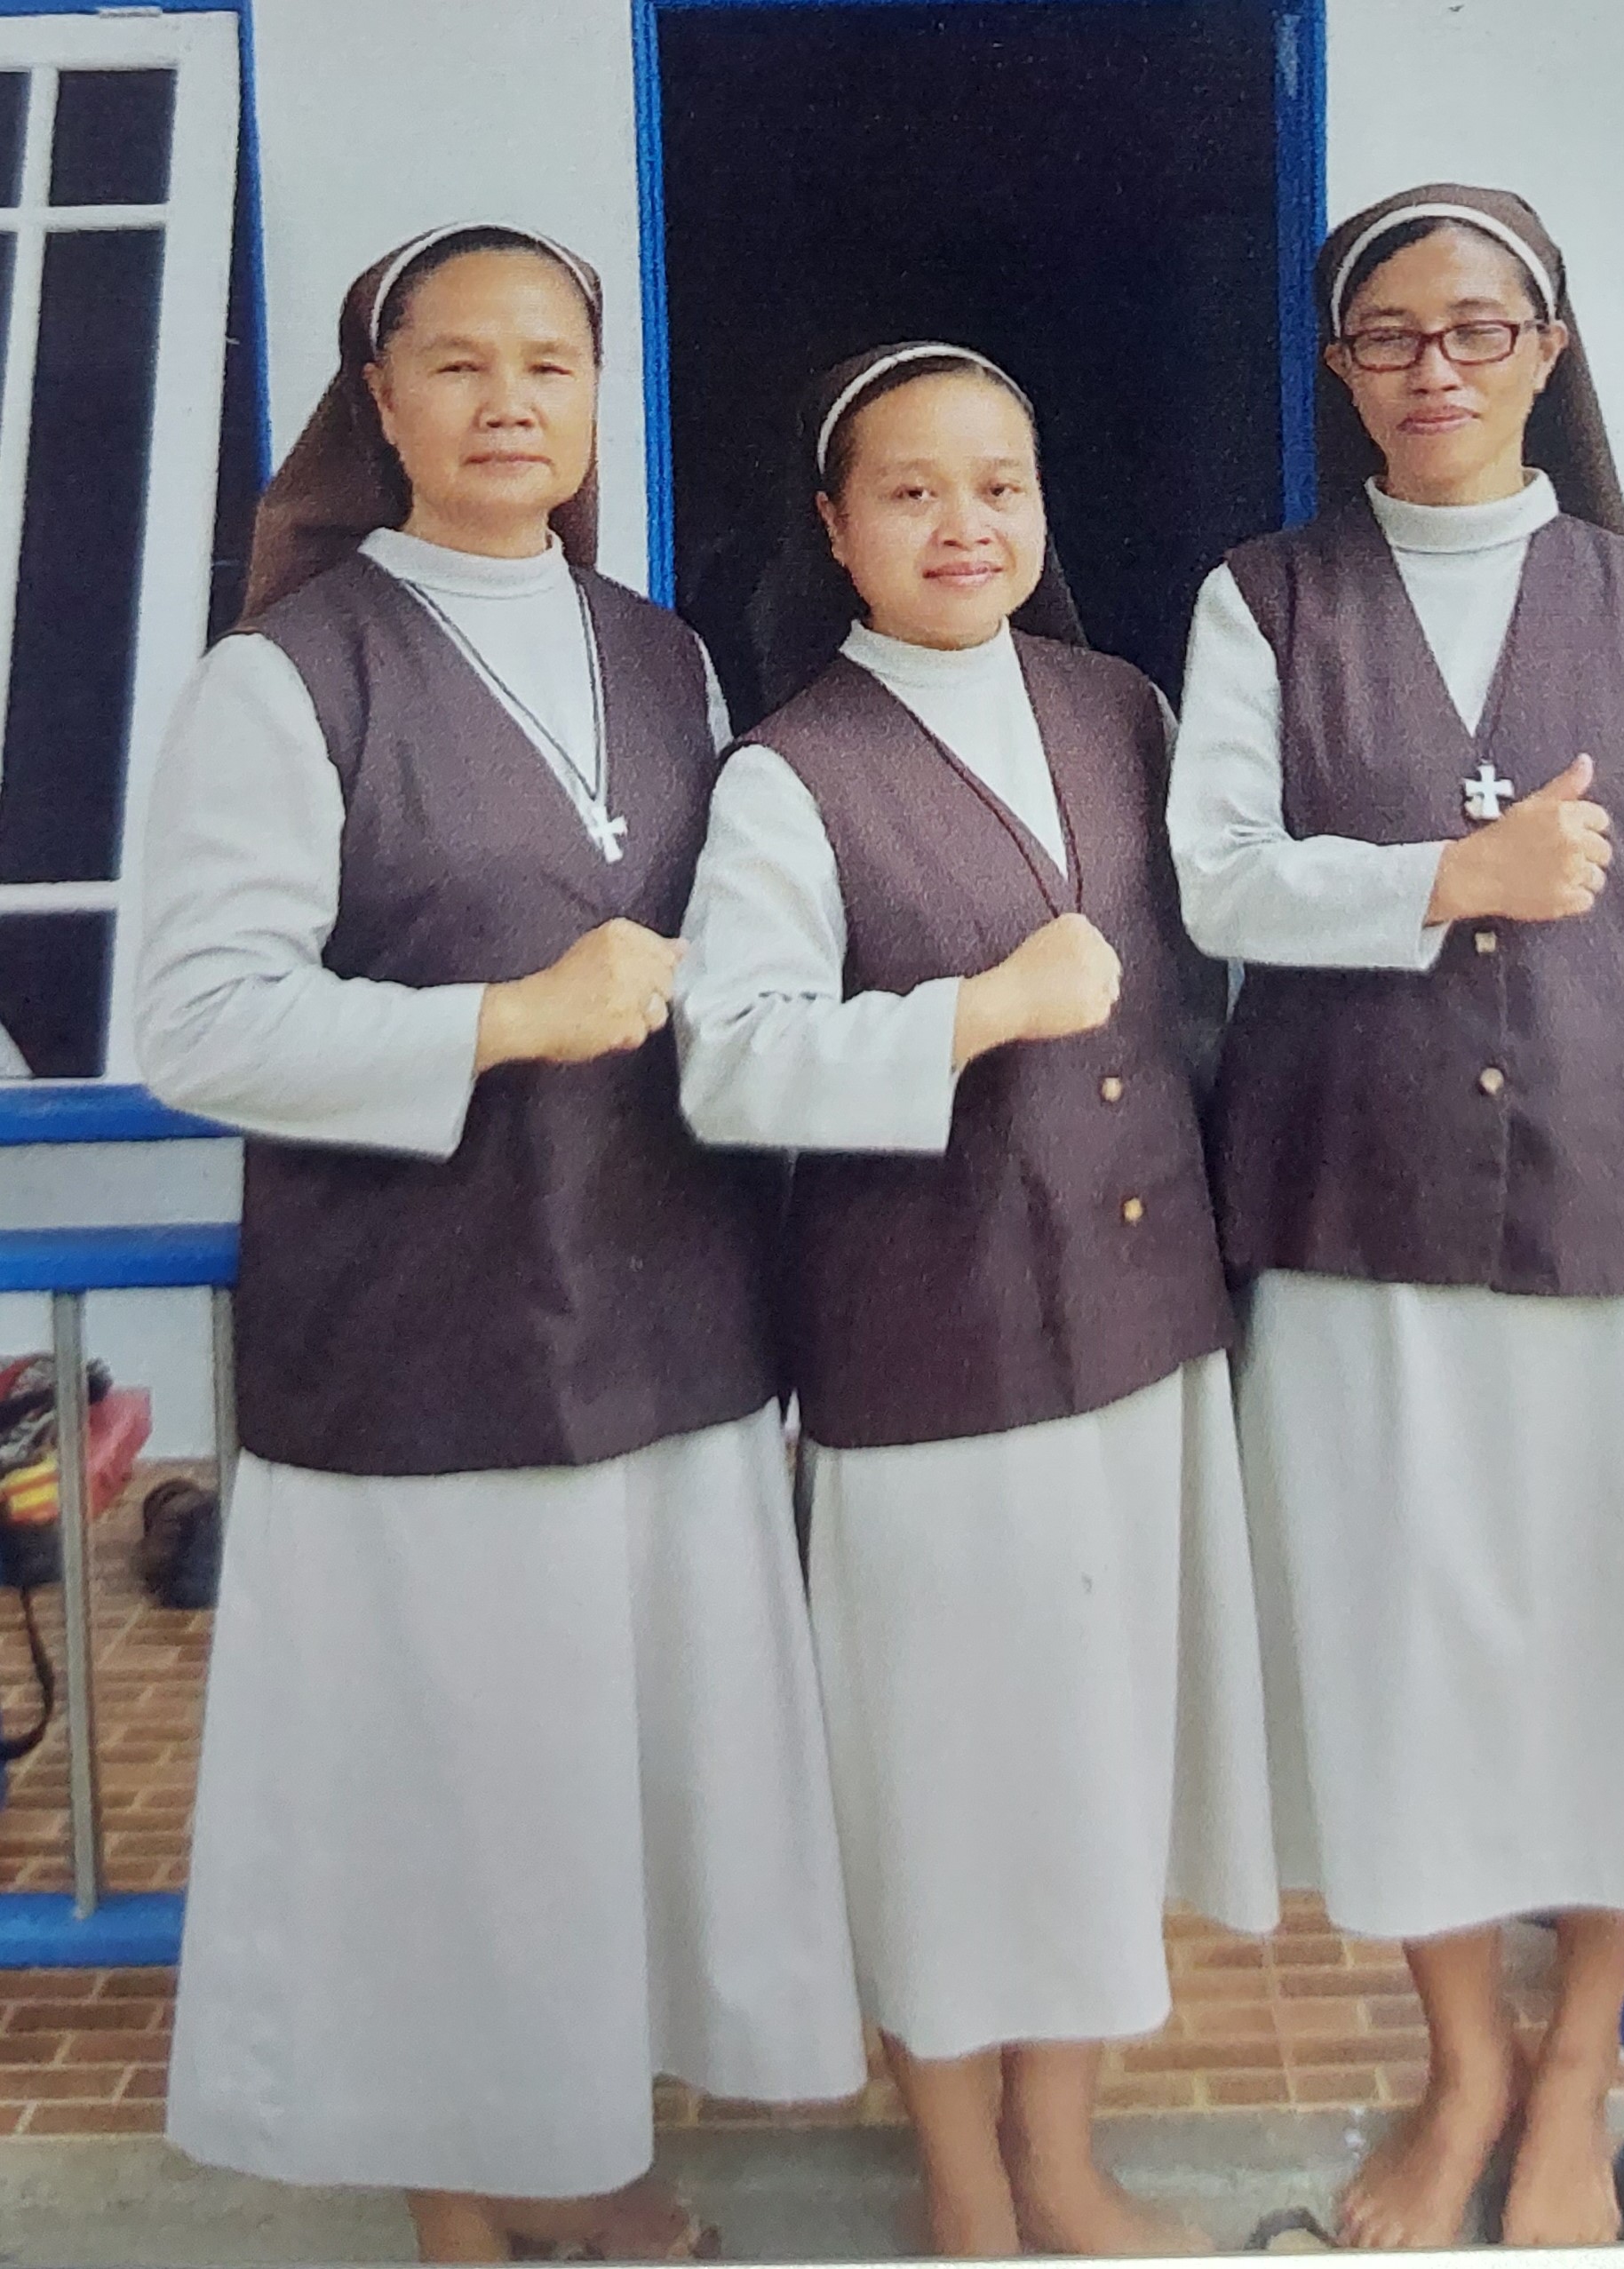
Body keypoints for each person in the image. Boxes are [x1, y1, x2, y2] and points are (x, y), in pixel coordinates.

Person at [136, 223, 864, 2265]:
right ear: (380, 400)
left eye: (549, 362)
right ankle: (462, 2207)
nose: (509, 401)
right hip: (421, 1340)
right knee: (447, 1801)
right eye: (457, 364)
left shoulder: (665, 654)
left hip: (662, 1310)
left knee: (592, 1795)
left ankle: (574, 2158)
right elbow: (196, 1023)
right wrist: (505, 1019)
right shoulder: (287, 675)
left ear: (593, 394)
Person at [1169, 183, 1624, 2251]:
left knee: (1620, 1651)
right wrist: (1440, 880)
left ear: (1544, 351)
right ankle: (1460, 2055)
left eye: (1475, 326)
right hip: (1356, 1218)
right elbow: (1211, 873)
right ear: (1338, 366)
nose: (1433, 365)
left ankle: (1572, 2081)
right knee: (1409, 1666)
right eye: (1388, 332)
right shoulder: (1260, 601)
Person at [675, 343, 1279, 2259]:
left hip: (1139, 1331)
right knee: (941, 1784)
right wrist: (975, 1013)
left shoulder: (1123, 708)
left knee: (1092, 1767)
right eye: (912, 489)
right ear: (837, 528)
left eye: (999, 484)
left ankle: (1060, 2158)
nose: (964, 524)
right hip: (930, 1348)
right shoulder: (786, 774)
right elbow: (728, 1062)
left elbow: (1213, 990)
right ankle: (961, 2185)